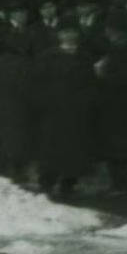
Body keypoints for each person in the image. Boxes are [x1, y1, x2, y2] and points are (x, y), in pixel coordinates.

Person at [28, 20, 102, 202]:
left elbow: (91, 84)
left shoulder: (85, 57)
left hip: (77, 112)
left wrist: (88, 103)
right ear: (59, 35)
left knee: (75, 149)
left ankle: (69, 183)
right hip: (53, 111)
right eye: (65, 32)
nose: (69, 36)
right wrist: (43, 104)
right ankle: (46, 183)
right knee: (51, 147)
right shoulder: (48, 57)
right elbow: (37, 83)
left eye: (72, 32)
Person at [93, 0, 127, 216]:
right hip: (119, 108)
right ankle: (118, 185)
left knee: (119, 151)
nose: (109, 34)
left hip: (119, 108)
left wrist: (102, 74)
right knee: (117, 150)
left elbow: (123, 80)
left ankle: (121, 186)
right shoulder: (122, 50)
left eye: (111, 30)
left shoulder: (123, 51)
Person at [0, 2, 36, 184]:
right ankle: (18, 172)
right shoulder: (25, 64)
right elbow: (31, 88)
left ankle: (2, 172)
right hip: (19, 107)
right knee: (18, 141)